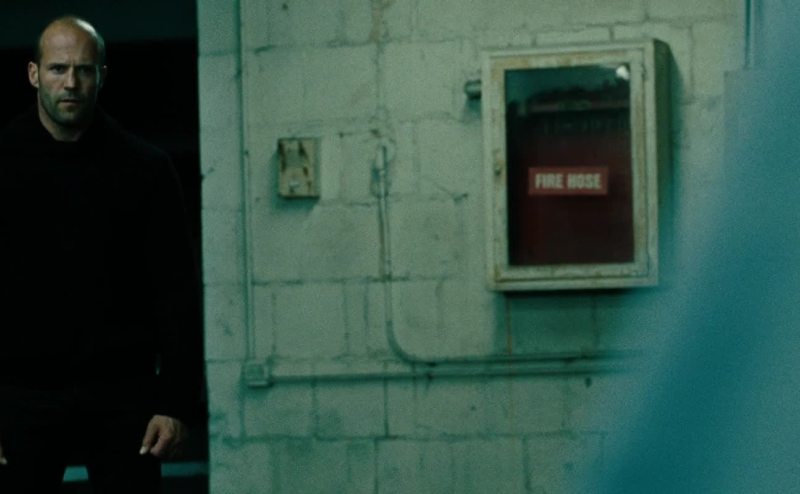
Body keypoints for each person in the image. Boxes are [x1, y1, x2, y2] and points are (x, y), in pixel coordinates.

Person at [0, 15, 200, 492]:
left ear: (102, 76)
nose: (71, 83)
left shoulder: (146, 168)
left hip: (122, 393)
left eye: (84, 70)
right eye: (58, 69)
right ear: (34, 74)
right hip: (21, 392)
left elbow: (176, 294)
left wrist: (175, 404)